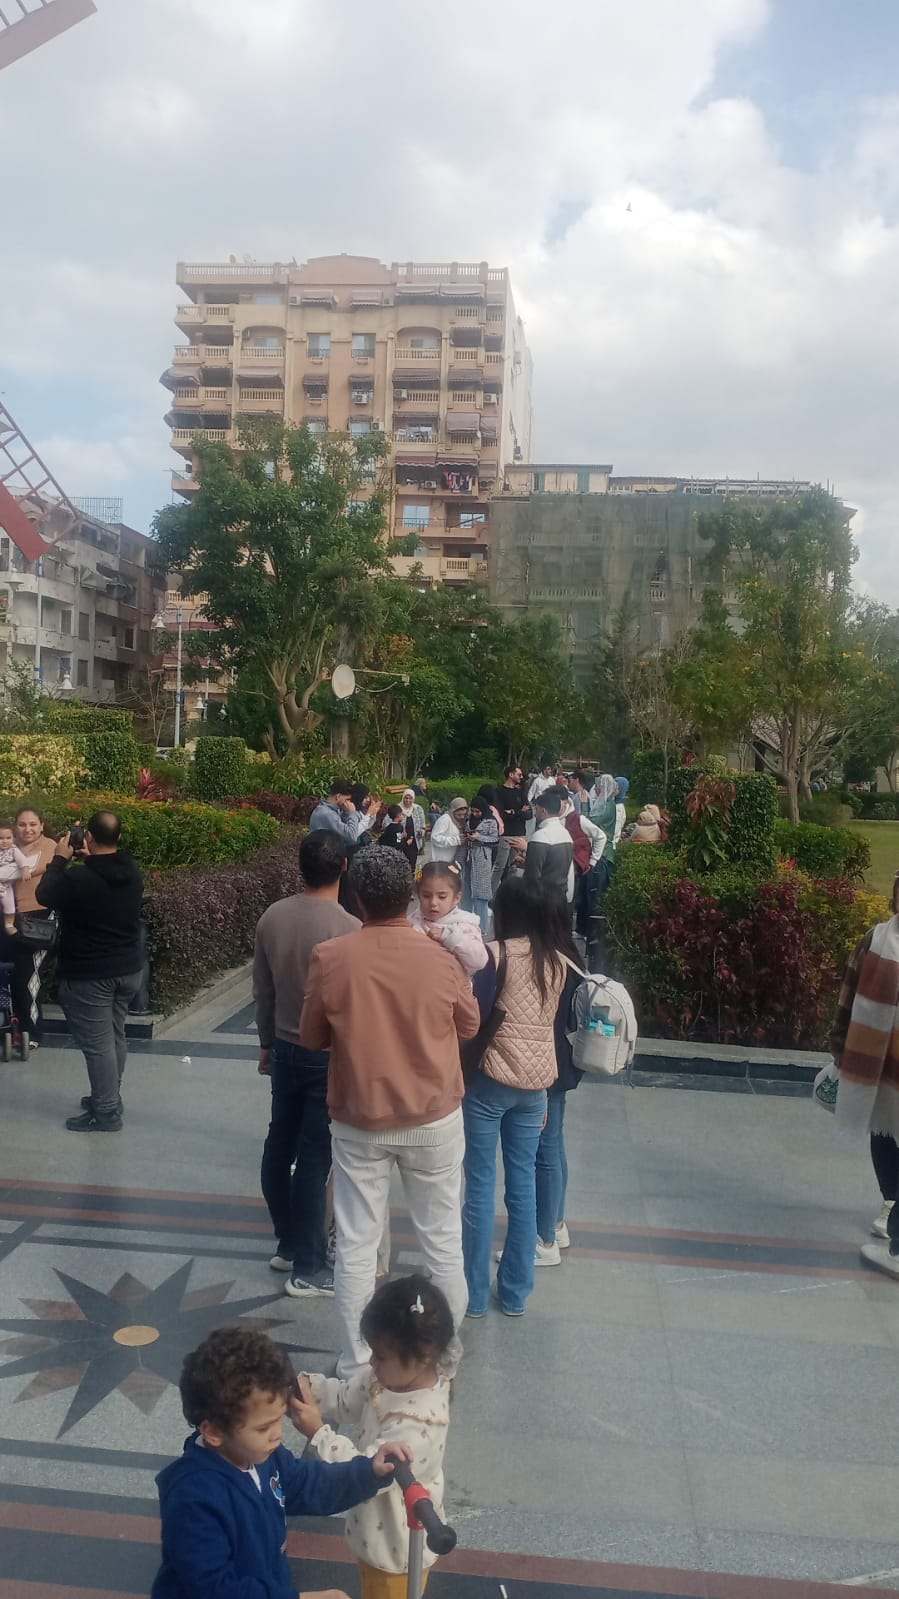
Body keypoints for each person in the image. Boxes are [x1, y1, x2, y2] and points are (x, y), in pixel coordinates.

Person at [300, 847, 480, 1377]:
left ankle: (358, 1364)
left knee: (356, 1246)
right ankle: (440, 1361)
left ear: (356, 896)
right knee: (442, 1244)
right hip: (434, 1117)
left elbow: (311, 1036)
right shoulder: (441, 958)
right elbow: (469, 1024)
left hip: (359, 1118)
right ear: (410, 897)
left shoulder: (331, 956)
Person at [151, 1324, 405, 1599]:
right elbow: (216, 1590)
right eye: (263, 1428)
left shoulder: (262, 1455)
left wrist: (369, 1472)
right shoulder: (193, 1500)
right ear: (213, 1432)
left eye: (278, 1420)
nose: (277, 1434)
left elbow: (308, 1483)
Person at [295, 1274, 453, 1599]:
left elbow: (368, 1470)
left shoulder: (421, 1424)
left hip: (397, 1554)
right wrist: (312, 1390)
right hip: (372, 1536)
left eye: (379, 1355)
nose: (371, 1361)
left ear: (424, 1355)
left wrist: (318, 1433)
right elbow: (347, 1397)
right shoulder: (388, 1377)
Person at [254, 831, 360, 1296]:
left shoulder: (273, 917)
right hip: (327, 1054)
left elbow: (263, 990)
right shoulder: (350, 928)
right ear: (344, 867)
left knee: (279, 1142)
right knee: (316, 1158)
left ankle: (287, 1241)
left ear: (300, 866)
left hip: (283, 1045)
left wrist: (266, 1042)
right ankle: (309, 1266)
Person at [462, 876, 572, 1317]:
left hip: (490, 1081)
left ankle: (472, 1295)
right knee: (522, 1187)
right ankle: (514, 1293)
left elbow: (473, 1017)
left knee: (480, 1186)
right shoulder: (559, 962)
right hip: (536, 1087)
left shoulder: (495, 954)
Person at [36, 810, 143, 1132]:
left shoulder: (78, 878)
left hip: (91, 974)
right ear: (119, 837)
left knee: (98, 1045)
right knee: (115, 1035)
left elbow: (44, 895)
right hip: (128, 969)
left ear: (89, 838)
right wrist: (89, 859)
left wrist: (59, 859)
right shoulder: (132, 871)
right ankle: (109, 1095)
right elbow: (105, 875)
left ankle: (106, 1111)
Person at [831, 870, 899, 1281]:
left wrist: (841, 1045)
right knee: (884, 1132)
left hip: (882, 1066)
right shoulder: (876, 940)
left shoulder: (880, 940)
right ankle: (892, 1203)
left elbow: (848, 992)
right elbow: (850, 990)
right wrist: (841, 1046)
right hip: (881, 1068)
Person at [0, 806, 56, 1046]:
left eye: (33, 824)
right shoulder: (7, 847)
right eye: (22, 824)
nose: (27, 829)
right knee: (8, 977)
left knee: (28, 977)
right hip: (10, 918)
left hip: (37, 921)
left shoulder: (49, 846)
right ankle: (10, 1027)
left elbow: (41, 868)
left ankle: (31, 1032)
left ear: (41, 825)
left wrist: (14, 871)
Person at [409, 860, 488, 978]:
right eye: (426, 896)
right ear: (418, 895)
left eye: (442, 897)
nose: (433, 902)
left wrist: (451, 938)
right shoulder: (412, 921)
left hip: (453, 986)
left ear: (456, 898)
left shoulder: (464, 924)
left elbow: (479, 961)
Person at [561, 793, 607, 938]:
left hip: (578, 867)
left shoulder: (577, 819)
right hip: (562, 866)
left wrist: (593, 861)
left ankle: (576, 933)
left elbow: (600, 835)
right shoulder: (553, 819)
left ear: (564, 802)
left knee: (579, 900)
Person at [524, 785, 574, 903]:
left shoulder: (541, 836)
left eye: (537, 809)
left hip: (542, 899)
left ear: (543, 810)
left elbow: (532, 876)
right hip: (560, 896)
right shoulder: (565, 834)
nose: (535, 814)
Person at [462, 793, 499, 934]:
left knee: (481, 894)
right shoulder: (468, 820)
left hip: (482, 859)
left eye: (478, 811)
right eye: (473, 811)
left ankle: (482, 927)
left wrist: (479, 837)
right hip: (468, 858)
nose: (475, 814)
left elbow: (495, 840)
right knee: (466, 891)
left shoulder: (491, 821)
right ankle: (465, 924)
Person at [494, 765, 530, 888]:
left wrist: (513, 812)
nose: (521, 777)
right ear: (511, 774)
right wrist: (520, 812)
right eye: (519, 774)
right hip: (505, 834)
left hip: (519, 834)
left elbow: (529, 814)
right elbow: (500, 814)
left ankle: (510, 892)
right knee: (499, 866)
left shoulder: (521, 793)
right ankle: (490, 894)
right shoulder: (499, 792)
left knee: (514, 867)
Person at [309, 779, 375, 845]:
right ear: (338, 797)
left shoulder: (331, 810)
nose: (350, 803)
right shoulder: (327, 814)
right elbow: (352, 836)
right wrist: (352, 813)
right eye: (347, 799)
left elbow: (346, 828)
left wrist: (346, 812)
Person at [0, 820, 36, 933]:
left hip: (6, 885)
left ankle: (9, 924)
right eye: (1, 838)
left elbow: (22, 860)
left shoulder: (13, 850)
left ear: (13, 838)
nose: (4, 841)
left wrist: (25, 869)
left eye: (8, 838)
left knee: (9, 904)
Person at [429, 797, 468, 865]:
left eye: (464, 814)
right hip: (440, 861)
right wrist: (456, 840)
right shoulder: (445, 819)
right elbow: (434, 838)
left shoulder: (460, 822)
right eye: (459, 815)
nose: (462, 817)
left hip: (451, 861)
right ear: (453, 811)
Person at [398, 788, 426, 868]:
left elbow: (423, 825)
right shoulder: (397, 808)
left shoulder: (418, 809)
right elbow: (387, 824)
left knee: (412, 865)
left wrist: (422, 831)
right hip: (400, 841)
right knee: (401, 865)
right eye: (406, 798)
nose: (408, 800)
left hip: (414, 841)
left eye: (410, 798)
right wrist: (400, 835)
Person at [614, 777, 629, 844]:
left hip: (612, 842)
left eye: (617, 786)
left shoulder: (618, 808)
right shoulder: (614, 804)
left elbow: (615, 829)